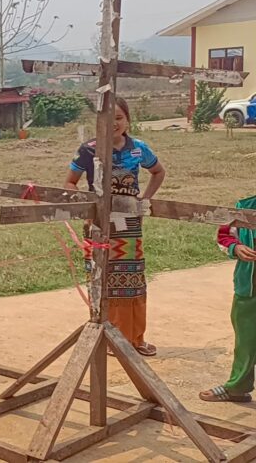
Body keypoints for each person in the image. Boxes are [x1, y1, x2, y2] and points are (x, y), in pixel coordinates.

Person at [65, 96, 166, 356]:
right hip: (98, 226)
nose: (114, 124)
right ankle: (107, 337)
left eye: (119, 118)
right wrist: (86, 209)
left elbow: (158, 172)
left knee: (132, 280)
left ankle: (135, 339)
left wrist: (144, 200)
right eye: (108, 119)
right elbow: (70, 183)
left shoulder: (138, 149)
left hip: (129, 225)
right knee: (101, 279)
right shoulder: (87, 150)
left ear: (128, 120)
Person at [200, 194, 256, 403]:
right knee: (246, 340)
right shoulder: (244, 207)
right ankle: (237, 387)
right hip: (250, 287)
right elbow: (225, 236)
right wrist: (236, 247)